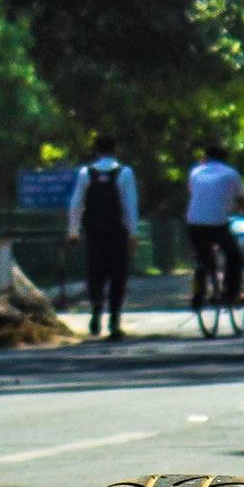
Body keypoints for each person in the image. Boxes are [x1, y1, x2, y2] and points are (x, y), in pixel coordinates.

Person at [66, 135, 138, 339]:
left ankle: (97, 308)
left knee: (95, 272)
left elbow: (76, 204)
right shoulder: (124, 173)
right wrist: (132, 234)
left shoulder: (86, 173)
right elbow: (129, 206)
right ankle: (114, 320)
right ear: (115, 150)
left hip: (94, 232)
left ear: (95, 150)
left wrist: (73, 231)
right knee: (118, 275)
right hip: (117, 233)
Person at [185, 143, 244, 306]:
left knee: (202, 257)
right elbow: (242, 201)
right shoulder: (231, 174)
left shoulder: (195, 172)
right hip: (218, 224)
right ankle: (230, 293)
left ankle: (198, 292)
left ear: (205, 156)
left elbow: (194, 193)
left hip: (194, 223)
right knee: (235, 256)